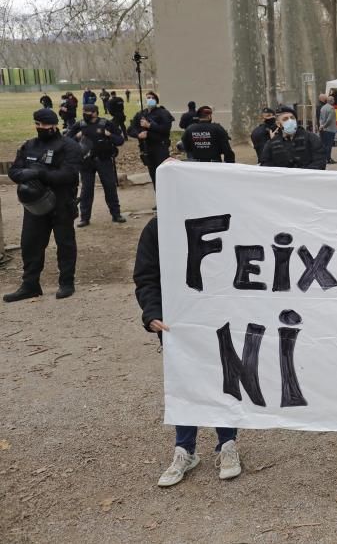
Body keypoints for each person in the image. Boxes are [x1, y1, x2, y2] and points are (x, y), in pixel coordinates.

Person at [133, 216, 242, 487]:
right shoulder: (157, 228)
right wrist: (152, 313)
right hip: (176, 323)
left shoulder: (227, 219)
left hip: (218, 317)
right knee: (184, 380)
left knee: (224, 377)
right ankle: (185, 450)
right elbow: (146, 276)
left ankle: (227, 445)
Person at [4, 109, 82, 302]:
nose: (39, 128)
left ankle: (66, 282)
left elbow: (70, 174)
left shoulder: (68, 146)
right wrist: (25, 175)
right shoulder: (29, 145)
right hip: (34, 206)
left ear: (54, 125)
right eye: (37, 124)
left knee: (65, 243)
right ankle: (30, 285)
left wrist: (42, 174)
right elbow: (14, 170)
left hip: (61, 203)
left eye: (43, 125)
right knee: (30, 243)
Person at [66, 104, 127, 226]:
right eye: (83, 112)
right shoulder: (79, 125)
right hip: (86, 162)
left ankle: (116, 214)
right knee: (86, 190)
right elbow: (66, 142)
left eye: (87, 112)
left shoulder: (106, 124)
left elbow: (120, 140)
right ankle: (84, 218)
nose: (84, 114)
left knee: (110, 187)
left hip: (104, 160)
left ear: (95, 113)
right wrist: (76, 137)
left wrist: (109, 135)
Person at [127, 91, 174, 188]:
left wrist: (150, 126)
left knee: (163, 173)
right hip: (146, 148)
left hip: (160, 147)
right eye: (148, 98)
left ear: (156, 100)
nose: (150, 100)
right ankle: (159, 199)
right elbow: (130, 129)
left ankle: (168, 199)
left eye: (152, 98)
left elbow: (165, 130)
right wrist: (138, 135)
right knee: (153, 175)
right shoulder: (141, 114)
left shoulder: (163, 113)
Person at [260, 105, 326, 169]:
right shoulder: (271, 144)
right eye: (285, 119)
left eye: (292, 118)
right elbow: (265, 166)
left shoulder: (311, 138)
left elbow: (320, 162)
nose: (290, 121)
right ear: (278, 124)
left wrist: (300, 175)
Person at [317, 94, 337, 164]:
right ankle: (328, 159)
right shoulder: (331, 108)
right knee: (329, 145)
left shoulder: (323, 108)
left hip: (323, 129)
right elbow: (329, 120)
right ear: (332, 101)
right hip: (330, 129)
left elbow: (320, 118)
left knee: (324, 144)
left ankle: (324, 158)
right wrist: (324, 126)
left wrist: (321, 125)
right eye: (334, 100)